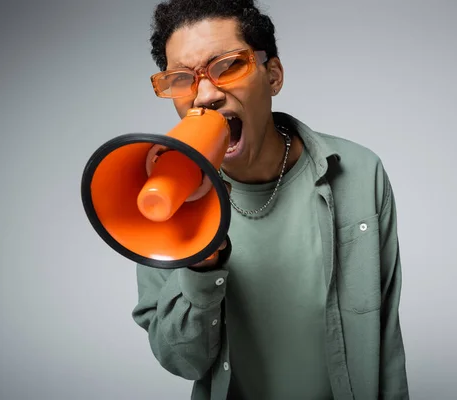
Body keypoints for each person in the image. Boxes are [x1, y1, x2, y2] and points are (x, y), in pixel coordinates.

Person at [131, 1, 409, 399]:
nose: (205, 95)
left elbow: (385, 344)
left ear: (273, 75)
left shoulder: (361, 174)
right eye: (181, 79)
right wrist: (201, 262)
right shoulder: (161, 203)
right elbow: (182, 361)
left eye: (227, 66)